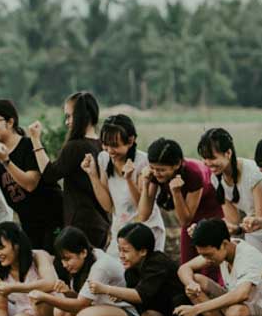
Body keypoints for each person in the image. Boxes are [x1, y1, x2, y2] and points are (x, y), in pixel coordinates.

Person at [88, 222, 208, 316]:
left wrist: (107, 289)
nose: (121, 255)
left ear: (143, 251)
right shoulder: (131, 272)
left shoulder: (157, 263)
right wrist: (123, 297)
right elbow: (139, 297)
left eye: (126, 251)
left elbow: (140, 295)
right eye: (119, 250)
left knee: (178, 300)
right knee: (142, 305)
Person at [28, 226, 138, 316]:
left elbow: (81, 305)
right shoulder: (85, 261)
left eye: (67, 259)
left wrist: (45, 297)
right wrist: (68, 292)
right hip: (109, 313)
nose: (64, 265)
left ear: (83, 252)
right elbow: (86, 299)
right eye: (62, 260)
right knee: (60, 312)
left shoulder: (100, 266)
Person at [0, 99, 64, 251]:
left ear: (10, 122)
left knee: (52, 263)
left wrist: (6, 162)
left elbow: (30, 184)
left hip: (53, 218)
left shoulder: (28, 146)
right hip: (29, 224)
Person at [31, 91, 110, 249]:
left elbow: (49, 174)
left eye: (69, 116)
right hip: (101, 223)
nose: (67, 122)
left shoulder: (75, 146)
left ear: (82, 116)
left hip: (81, 224)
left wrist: (35, 139)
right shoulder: (102, 144)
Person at [83, 114, 166, 257]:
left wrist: (129, 179)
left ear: (130, 140)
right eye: (105, 144)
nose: (109, 150)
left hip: (145, 230)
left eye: (115, 145)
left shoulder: (143, 162)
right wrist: (92, 175)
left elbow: (142, 208)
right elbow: (108, 206)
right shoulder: (104, 158)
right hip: (121, 230)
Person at [135, 138, 223, 270]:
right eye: (153, 168)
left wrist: (176, 193)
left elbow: (185, 220)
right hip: (186, 210)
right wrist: (146, 183)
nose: (157, 173)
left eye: (161, 170)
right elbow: (143, 215)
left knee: (210, 260)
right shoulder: (154, 174)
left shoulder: (193, 174)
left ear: (176, 165)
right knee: (187, 264)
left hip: (210, 207)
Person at [196, 128, 262, 260]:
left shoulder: (252, 173)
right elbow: (232, 220)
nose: (208, 163)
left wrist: (237, 228)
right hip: (253, 232)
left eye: (212, 158)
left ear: (228, 153)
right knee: (259, 272)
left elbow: (261, 217)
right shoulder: (216, 178)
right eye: (205, 158)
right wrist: (203, 228)